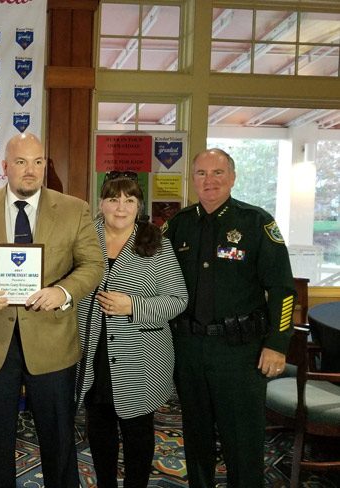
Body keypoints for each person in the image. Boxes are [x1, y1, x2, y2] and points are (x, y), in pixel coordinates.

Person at [0, 132, 104, 488]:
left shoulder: (73, 209)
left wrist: (62, 292)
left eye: (38, 162)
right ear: (5, 166)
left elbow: (93, 265)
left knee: (58, 436)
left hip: (52, 339)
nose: (30, 171)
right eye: (21, 162)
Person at [162, 148, 296, 488]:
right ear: (192, 180)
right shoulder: (178, 226)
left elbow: (282, 289)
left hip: (240, 352)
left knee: (243, 442)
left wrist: (277, 345)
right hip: (190, 350)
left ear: (232, 178)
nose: (209, 181)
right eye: (202, 174)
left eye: (217, 173)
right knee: (196, 439)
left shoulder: (256, 223)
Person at [75, 172, 188, 488]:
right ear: (101, 203)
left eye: (129, 200)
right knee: (99, 427)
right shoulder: (84, 236)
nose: (120, 207)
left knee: (137, 429)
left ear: (139, 206)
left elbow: (178, 299)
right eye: (113, 199)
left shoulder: (154, 242)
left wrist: (133, 306)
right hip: (93, 351)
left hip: (141, 357)